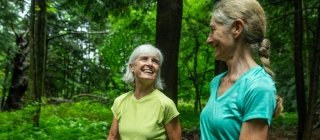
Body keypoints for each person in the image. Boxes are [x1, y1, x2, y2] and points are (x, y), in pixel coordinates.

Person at [200, 0, 283, 139]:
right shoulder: (216, 82)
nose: (208, 39)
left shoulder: (258, 86)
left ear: (237, 28)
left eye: (213, 30)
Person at [107, 44, 181, 140]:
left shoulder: (166, 104)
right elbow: (113, 137)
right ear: (131, 67)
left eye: (155, 61)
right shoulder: (120, 101)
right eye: (144, 59)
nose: (150, 64)